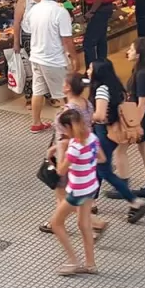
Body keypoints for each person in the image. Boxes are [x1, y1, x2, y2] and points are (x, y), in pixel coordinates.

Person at [38, 74, 113, 238]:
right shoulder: (87, 104)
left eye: (64, 83)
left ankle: (92, 223)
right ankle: (58, 222)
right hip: (82, 150)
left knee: (62, 193)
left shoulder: (67, 112)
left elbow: (64, 137)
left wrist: (55, 151)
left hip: (66, 153)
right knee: (65, 193)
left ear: (67, 88)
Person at [89, 59, 145, 223]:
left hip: (104, 132)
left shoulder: (102, 90)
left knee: (104, 171)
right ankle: (91, 202)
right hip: (111, 133)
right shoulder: (116, 87)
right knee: (98, 168)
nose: (88, 71)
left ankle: (135, 202)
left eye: (90, 69)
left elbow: (101, 115)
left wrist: (84, 116)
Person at [49, 109, 101, 276]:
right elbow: (102, 158)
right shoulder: (92, 138)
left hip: (77, 190)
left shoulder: (75, 146)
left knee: (56, 223)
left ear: (67, 127)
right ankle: (90, 264)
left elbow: (61, 171)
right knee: (84, 224)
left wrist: (59, 151)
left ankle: (73, 260)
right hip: (91, 186)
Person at [111, 38, 145, 200]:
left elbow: (142, 103)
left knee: (120, 150)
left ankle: (123, 186)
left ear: (139, 54)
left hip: (140, 117)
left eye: (132, 49)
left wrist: (134, 126)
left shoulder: (142, 75)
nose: (128, 51)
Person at [26, 0, 75, 132]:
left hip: (36, 56)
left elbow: (27, 29)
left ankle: (36, 122)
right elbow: (67, 38)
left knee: (38, 90)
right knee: (66, 93)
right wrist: (74, 57)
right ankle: (71, 125)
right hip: (54, 59)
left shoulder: (34, 9)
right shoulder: (60, 12)